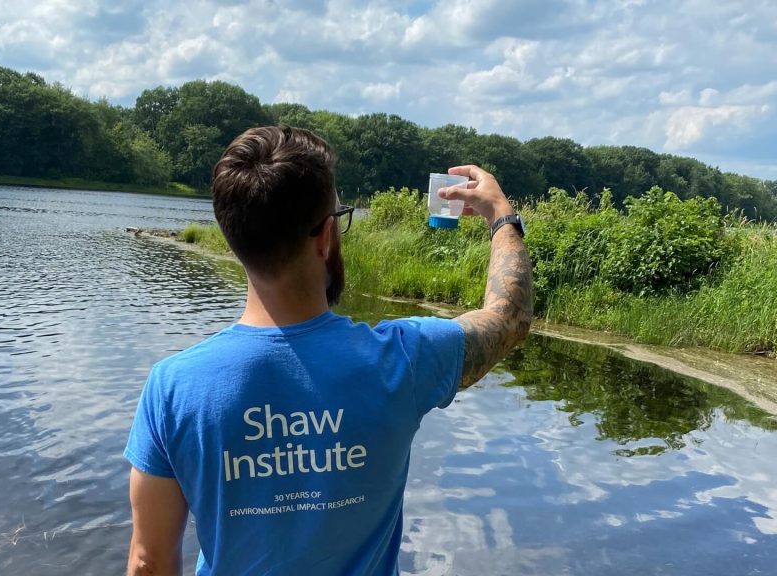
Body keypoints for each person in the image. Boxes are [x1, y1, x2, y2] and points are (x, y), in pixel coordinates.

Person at [124, 126, 532, 576]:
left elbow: (149, 562)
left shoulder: (172, 387)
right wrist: (501, 217)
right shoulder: (404, 359)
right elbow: (509, 317)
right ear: (325, 236)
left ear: (231, 236)